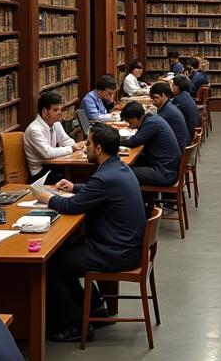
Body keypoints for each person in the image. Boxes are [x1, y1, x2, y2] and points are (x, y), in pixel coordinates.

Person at [33, 124, 146, 342]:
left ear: (100, 148)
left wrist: (45, 197)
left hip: (116, 252)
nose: (85, 148)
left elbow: (71, 207)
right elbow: (98, 192)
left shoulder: (105, 177)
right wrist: (74, 187)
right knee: (66, 255)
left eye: (88, 144)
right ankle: (95, 307)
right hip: (125, 246)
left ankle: (74, 324)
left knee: (53, 264)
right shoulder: (118, 168)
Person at [23, 89, 84, 181]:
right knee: (74, 177)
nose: (60, 113)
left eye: (61, 109)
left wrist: (78, 147)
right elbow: (47, 153)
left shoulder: (56, 123)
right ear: (44, 112)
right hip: (39, 174)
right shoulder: (34, 130)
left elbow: (66, 141)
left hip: (52, 166)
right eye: (56, 110)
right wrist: (72, 148)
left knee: (78, 172)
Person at [120, 100, 181, 186]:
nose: (129, 125)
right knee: (130, 164)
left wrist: (114, 141)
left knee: (124, 172)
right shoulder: (151, 119)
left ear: (134, 118)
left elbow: (134, 141)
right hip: (165, 166)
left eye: (128, 121)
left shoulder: (151, 123)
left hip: (164, 172)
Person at [149, 80, 190, 151]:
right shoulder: (170, 106)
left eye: (155, 98)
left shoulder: (166, 113)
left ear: (163, 96)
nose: (153, 101)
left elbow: (150, 130)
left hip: (176, 150)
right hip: (181, 145)